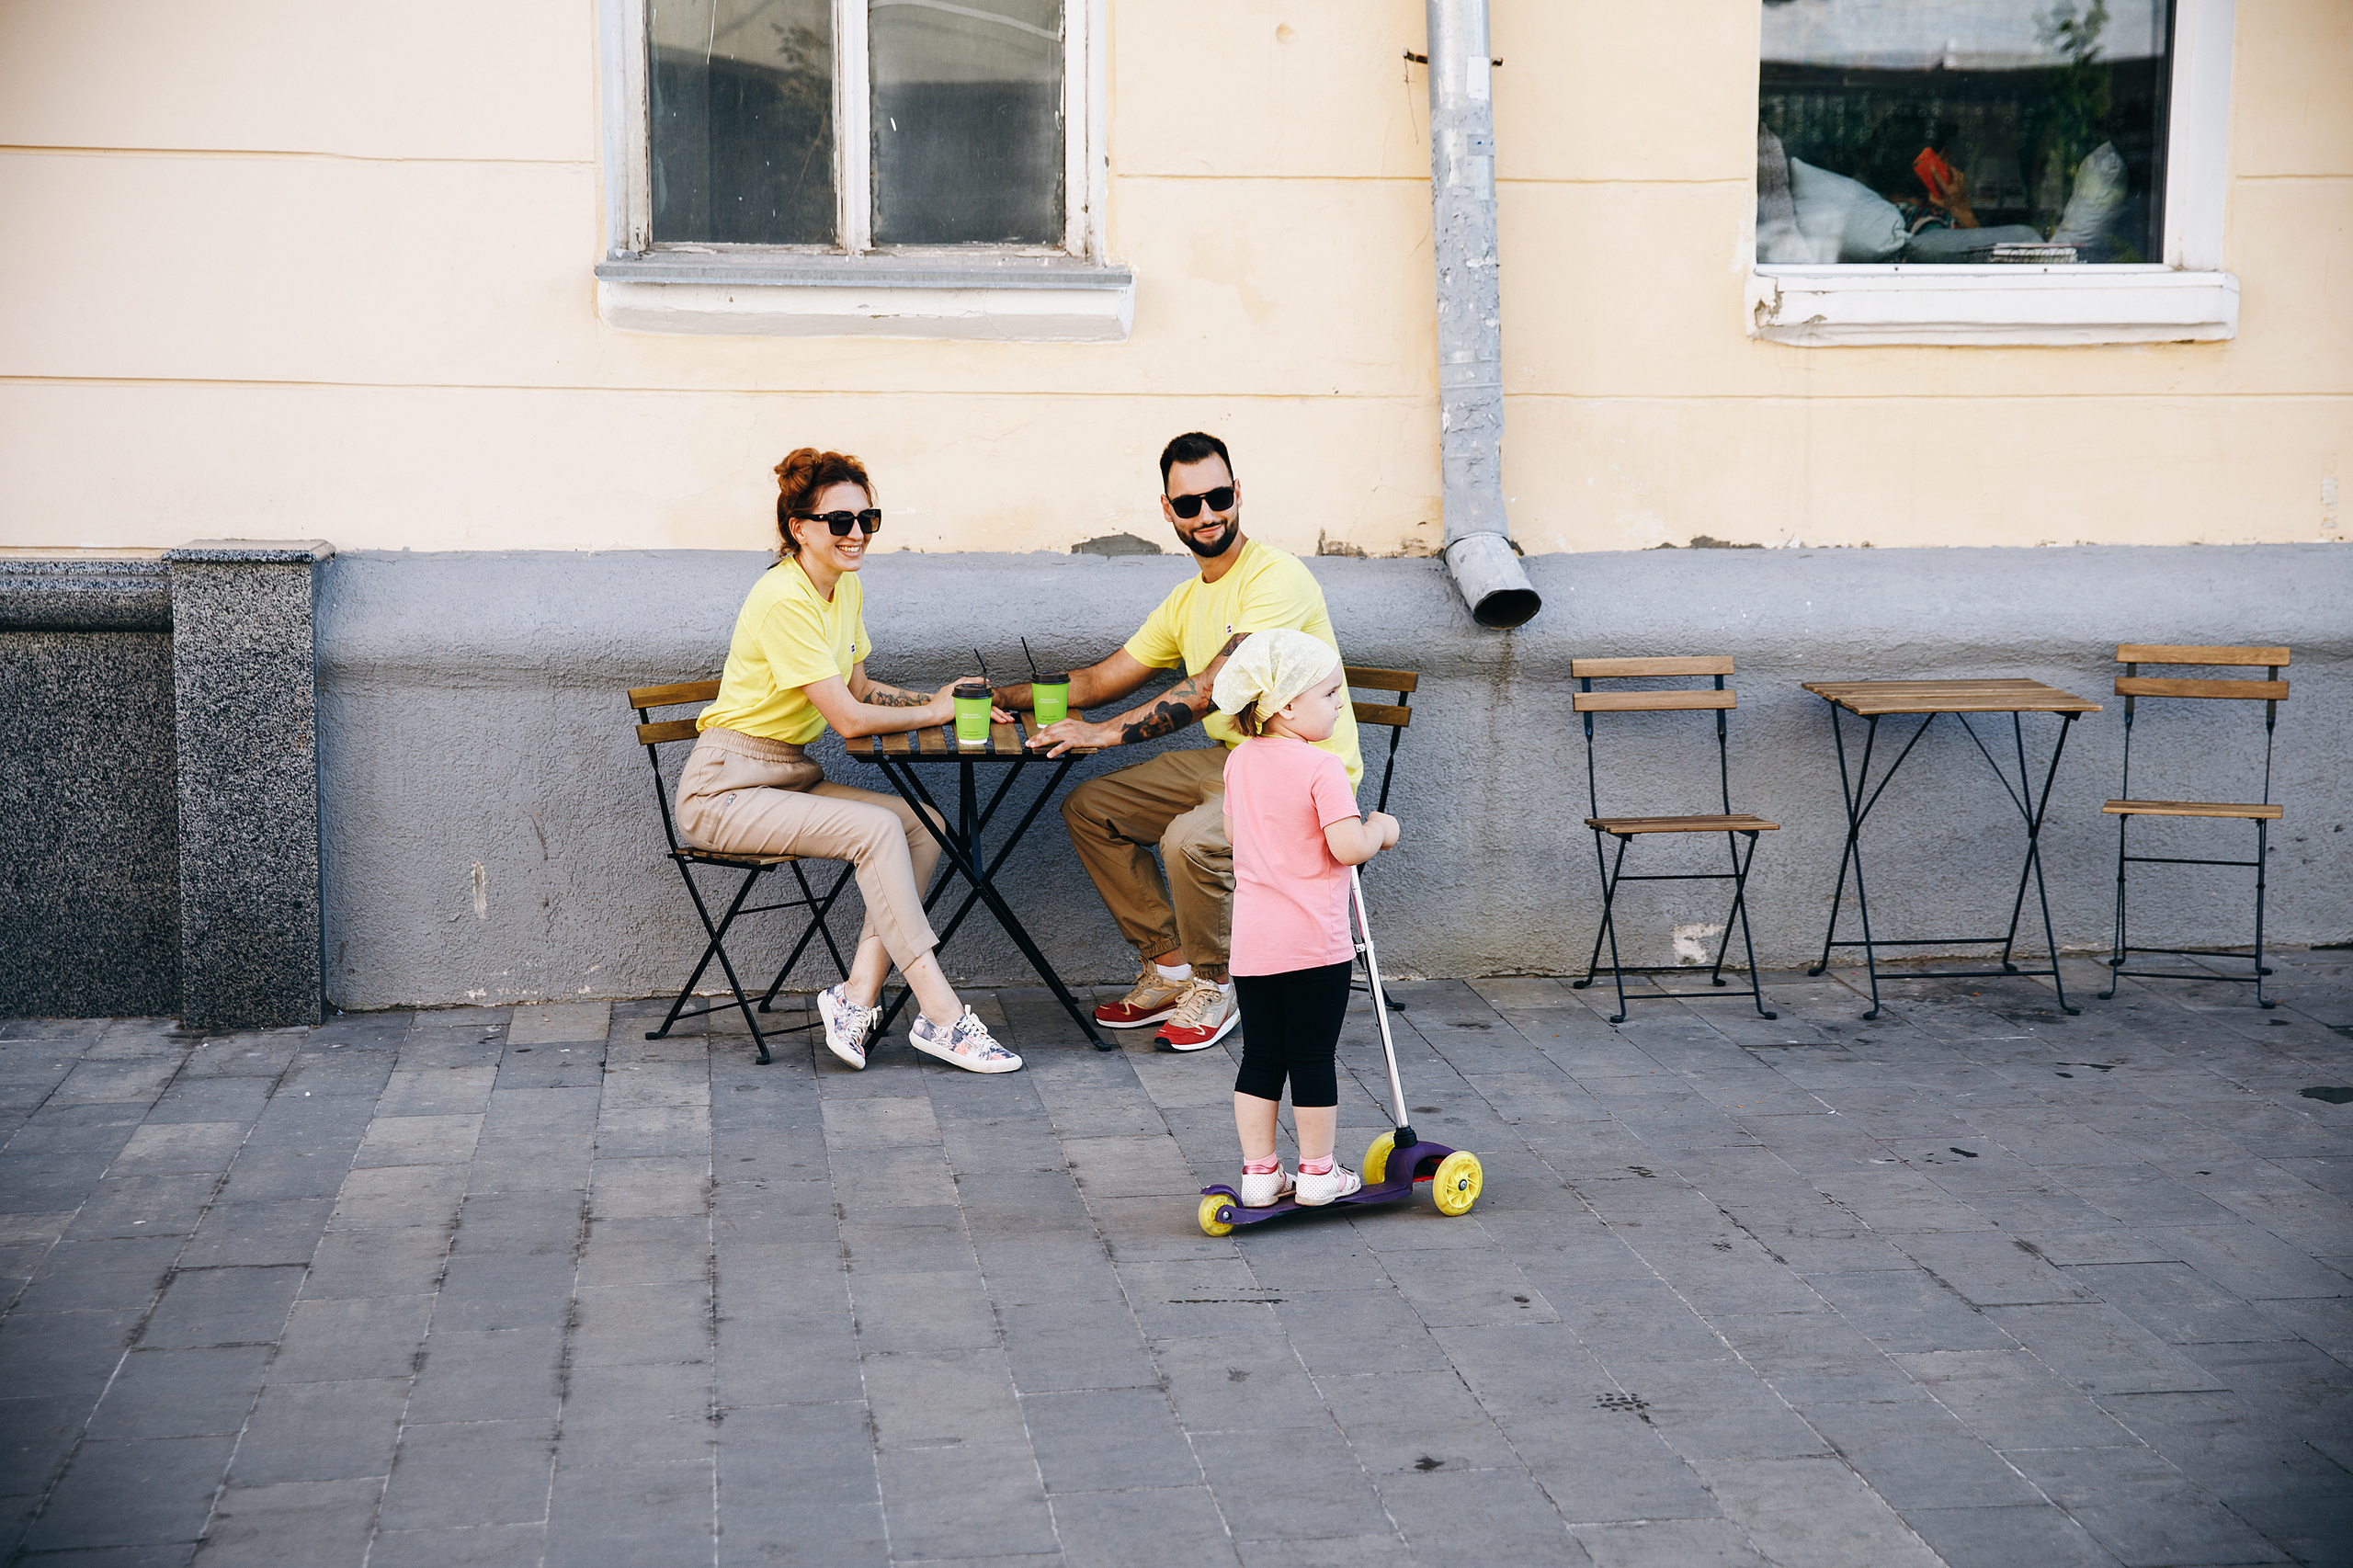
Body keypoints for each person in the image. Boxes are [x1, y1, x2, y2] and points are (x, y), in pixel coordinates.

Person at [995, 432, 1362, 1052]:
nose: (1206, 514)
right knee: (1091, 809)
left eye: (1217, 496)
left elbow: (1211, 688)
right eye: (1187, 504)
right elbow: (1100, 679)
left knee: (1187, 838)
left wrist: (1106, 732)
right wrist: (1000, 697)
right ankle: (1171, 969)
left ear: (1238, 493)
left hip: (1305, 777)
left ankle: (1216, 983)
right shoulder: (1188, 599)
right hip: (1236, 760)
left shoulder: (1276, 577)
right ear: (1167, 511)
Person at [675, 448, 1021, 1075]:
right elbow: (850, 721)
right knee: (876, 828)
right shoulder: (785, 599)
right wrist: (934, 714)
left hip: (786, 778)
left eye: (868, 519)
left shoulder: (845, 587)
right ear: (797, 528)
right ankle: (943, 1016)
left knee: (924, 823)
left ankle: (855, 997)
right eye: (839, 521)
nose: (857, 533)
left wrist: (944, 700)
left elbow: (861, 689)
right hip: (723, 792)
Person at [1211, 631, 1399, 1207]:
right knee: (1313, 1055)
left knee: (1262, 1055)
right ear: (1286, 705)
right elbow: (1346, 847)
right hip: (1315, 946)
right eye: (1329, 694)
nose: (1339, 704)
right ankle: (1318, 1172)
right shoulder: (1323, 768)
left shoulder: (1240, 761)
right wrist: (1381, 831)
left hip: (1254, 945)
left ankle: (1260, 1172)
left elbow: (1233, 834)